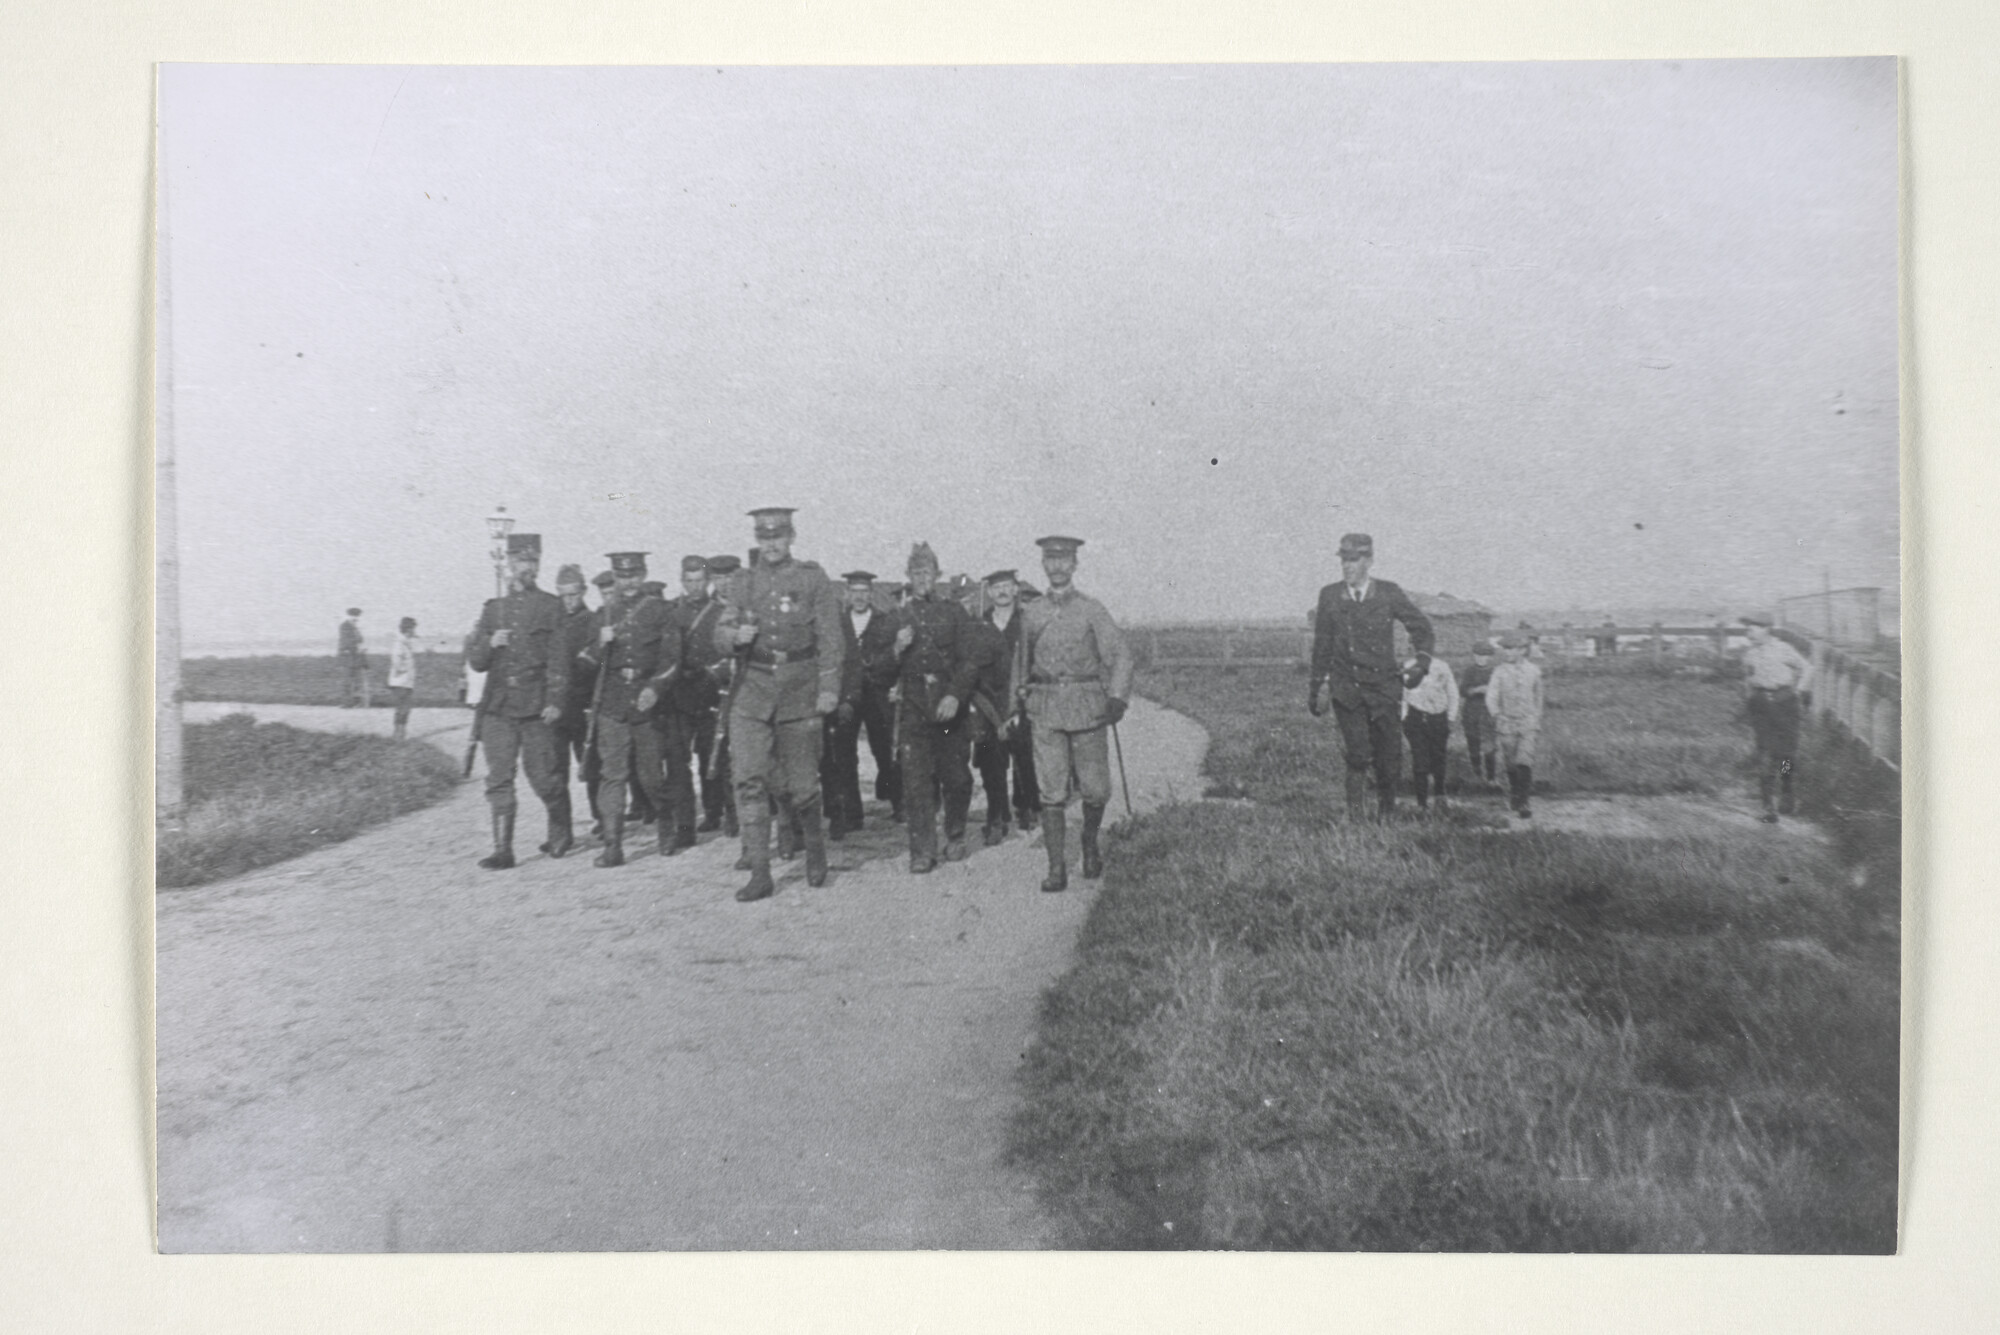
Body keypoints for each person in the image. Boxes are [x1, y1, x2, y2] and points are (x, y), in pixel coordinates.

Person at [713, 507, 845, 902]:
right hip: (751, 692)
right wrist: (735, 635)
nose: (770, 543)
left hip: (799, 693)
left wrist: (829, 688)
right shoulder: (743, 581)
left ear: (791, 537)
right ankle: (760, 872)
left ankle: (815, 849)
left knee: (803, 787)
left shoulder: (811, 578)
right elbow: (720, 630)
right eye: (763, 537)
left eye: (778, 536)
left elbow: (831, 640)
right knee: (748, 779)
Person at [1013, 535, 1133, 893]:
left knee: (1096, 789)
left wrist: (1117, 698)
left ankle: (1089, 842)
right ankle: (1056, 868)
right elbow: (1021, 664)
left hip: (1088, 708)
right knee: (1051, 790)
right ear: (1044, 565)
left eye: (1065, 560)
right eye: (1051, 560)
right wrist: (1016, 704)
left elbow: (1121, 654)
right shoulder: (1032, 613)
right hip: (1046, 706)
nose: (1058, 567)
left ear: (1075, 564)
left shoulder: (1092, 609)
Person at [1308, 533, 1436, 820]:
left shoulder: (1389, 593)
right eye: (1344, 560)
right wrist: (1317, 687)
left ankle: (1387, 816)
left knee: (1388, 758)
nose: (1347, 566)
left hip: (1384, 690)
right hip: (1347, 689)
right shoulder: (1329, 595)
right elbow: (1322, 645)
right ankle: (1355, 821)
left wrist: (1421, 663)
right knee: (1357, 755)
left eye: (1354, 560)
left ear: (1369, 561)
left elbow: (1422, 628)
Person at [463, 533, 573, 868]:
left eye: (534, 562)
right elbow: (476, 661)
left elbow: (559, 661)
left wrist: (555, 700)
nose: (529, 568)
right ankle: (503, 849)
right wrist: (490, 643)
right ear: (509, 563)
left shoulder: (551, 607)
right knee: (499, 776)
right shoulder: (492, 610)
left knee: (544, 776)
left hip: (536, 707)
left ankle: (560, 824)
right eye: (523, 561)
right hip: (498, 707)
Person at [578, 552, 681, 867]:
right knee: (613, 776)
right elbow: (584, 664)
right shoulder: (603, 615)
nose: (630, 582)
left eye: (635, 575)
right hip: (612, 704)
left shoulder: (662, 612)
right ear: (615, 577)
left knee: (650, 776)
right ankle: (613, 846)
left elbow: (672, 659)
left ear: (644, 574)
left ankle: (665, 822)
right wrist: (600, 644)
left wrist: (655, 688)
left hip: (646, 703)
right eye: (623, 576)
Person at [890, 544, 985, 873]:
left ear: (937, 576)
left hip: (948, 710)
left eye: (927, 573)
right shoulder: (898, 616)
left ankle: (955, 834)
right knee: (916, 782)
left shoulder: (954, 612)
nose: (921, 580)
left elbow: (970, 662)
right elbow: (881, 670)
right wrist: (897, 648)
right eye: (915, 574)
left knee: (956, 777)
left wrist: (955, 696)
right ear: (908, 577)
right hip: (915, 707)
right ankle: (922, 851)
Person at [971, 568, 1040, 844]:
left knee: (1024, 758)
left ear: (1015, 590)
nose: (1001, 591)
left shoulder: (1026, 623)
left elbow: (1037, 660)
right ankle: (996, 816)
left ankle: (1025, 807)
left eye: (1006, 586)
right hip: (988, 703)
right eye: (996, 587)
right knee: (990, 763)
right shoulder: (979, 625)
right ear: (989, 592)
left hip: (1021, 701)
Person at [1738, 612, 1815, 822]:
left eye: (1752, 628)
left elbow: (1807, 668)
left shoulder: (1783, 649)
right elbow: (1747, 678)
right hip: (1761, 706)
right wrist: (1749, 701)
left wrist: (1798, 692)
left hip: (1785, 704)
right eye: (1747, 629)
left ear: (1766, 629)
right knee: (1764, 754)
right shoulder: (1749, 654)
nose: (1748, 633)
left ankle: (1787, 793)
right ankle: (1767, 806)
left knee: (1786, 755)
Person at [550, 564, 602, 843]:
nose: (569, 600)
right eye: (563, 595)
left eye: (574, 594)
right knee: (556, 771)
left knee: (591, 766)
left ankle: (604, 819)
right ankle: (560, 831)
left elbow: (595, 663)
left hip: (584, 706)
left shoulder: (592, 621)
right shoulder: (553, 623)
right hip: (559, 709)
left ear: (583, 591)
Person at [701, 555, 743, 838]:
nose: (724, 583)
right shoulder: (705, 612)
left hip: (746, 691)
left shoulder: (748, 606)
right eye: (718, 578)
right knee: (716, 757)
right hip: (712, 694)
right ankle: (726, 811)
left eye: (729, 577)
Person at [1486, 632, 1546, 819]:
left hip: (1528, 722)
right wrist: (1496, 714)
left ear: (1522, 650)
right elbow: (1491, 695)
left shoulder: (1534, 671)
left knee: (1524, 760)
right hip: (1507, 723)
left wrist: (1536, 716)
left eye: (1511, 649)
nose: (1507, 652)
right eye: (1504, 649)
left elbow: (1538, 696)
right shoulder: (1499, 671)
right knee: (1511, 763)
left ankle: (1524, 801)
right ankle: (1515, 792)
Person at [1401, 650, 1460, 809]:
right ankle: (1422, 804)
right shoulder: (1408, 666)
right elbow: (1403, 696)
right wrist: (1404, 718)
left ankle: (1440, 795)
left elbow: (1452, 693)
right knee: (1420, 761)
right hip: (1416, 719)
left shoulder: (1442, 667)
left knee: (1438, 757)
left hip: (1438, 719)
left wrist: (1451, 717)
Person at [1460, 640, 1499, 786]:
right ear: (1473, 655)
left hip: (1489, 712)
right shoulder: (1469, 671)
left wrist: (1490, 691)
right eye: (1477, 655)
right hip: (1471, 712)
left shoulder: (1495, 672)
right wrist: (1477, 690)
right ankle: (1477, 775)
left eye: (1484, 655)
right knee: (1473, 743)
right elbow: (1462, 690)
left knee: (1489, 745)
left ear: (1489, 657)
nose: (1480, 658)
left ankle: (1491, 778)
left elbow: (1501, 692)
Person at [387, 616, 419, 741]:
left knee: (405, 708)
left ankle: (401, 733)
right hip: (400, 681)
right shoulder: (399, 643)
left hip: (406, 681)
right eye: (413, 628)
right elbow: (396, 661)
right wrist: (404, 669)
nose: (414, 631)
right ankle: (398, 734)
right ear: (408, 629)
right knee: (402, 708)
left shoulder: (405, 642)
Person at [338, 607, 370, 708]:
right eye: (353, 616)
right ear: (349, 616)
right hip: (348, 657)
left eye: (357, 616)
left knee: (358, 681)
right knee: (347, 680)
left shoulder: (357, 628)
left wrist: (362, 648)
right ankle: (347, 703)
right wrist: (356, 648)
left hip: (357, 657)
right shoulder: (344, 626)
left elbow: (360, 641)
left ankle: (358, 702)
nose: (355, 618)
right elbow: (345, 642)